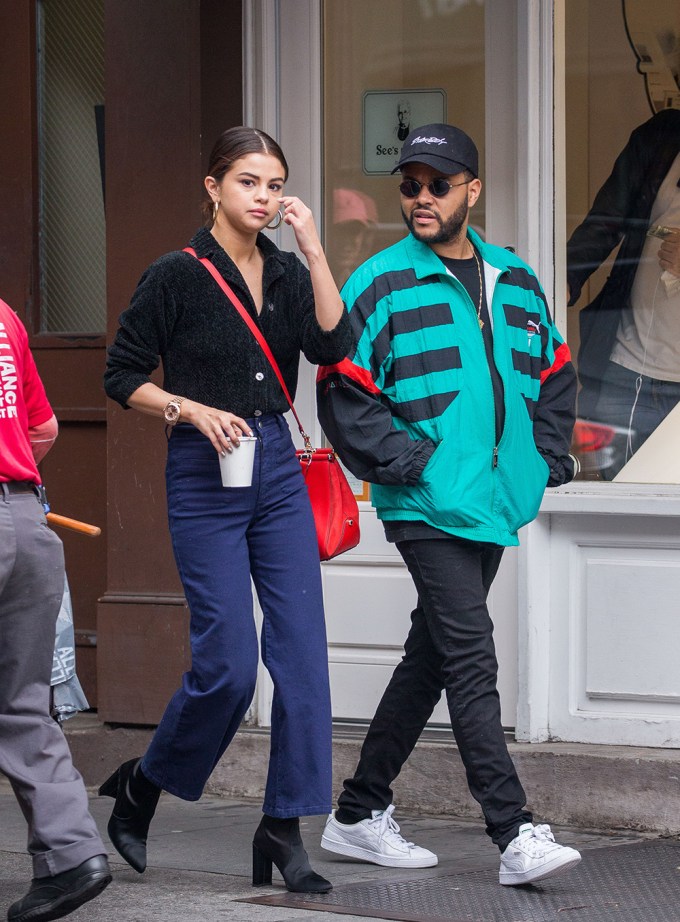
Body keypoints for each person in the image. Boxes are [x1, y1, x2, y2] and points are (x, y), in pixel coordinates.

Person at [316, 123, 582, 887]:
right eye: (409, 185)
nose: (421, 198)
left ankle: (360, 812)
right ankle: (513, 831)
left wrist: (547, 456)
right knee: (471, 654)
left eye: (437, 184)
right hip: (427, 500)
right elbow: (345, 387)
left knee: (431, 653)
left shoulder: (515, 279)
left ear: (472, 188)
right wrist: (408, 463)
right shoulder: (381, 282)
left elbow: (556, 370)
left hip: (494, 498)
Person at [102, 126, 351, 893]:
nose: (265, 197)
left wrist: (313, 250)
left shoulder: (282, 271)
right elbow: (122, 374)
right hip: (203, 470)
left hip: (275, 464)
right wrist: (187, 409)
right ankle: (143, 785)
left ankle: (283, 828)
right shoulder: (174, 276)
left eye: (275, 185)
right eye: (249, 182)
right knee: (229, 667)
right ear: (212, 186)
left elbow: (332, 346)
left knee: (304, 658)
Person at [0, 298, 111, 922]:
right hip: (25, 517)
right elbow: (41, 427)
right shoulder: (6, 315)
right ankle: (72, 856)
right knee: (21, 704)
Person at [567, 108, 680, 477]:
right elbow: (605, 222)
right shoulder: (663, 135)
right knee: (603, 487)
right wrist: (557, 285)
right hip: (626, 368)